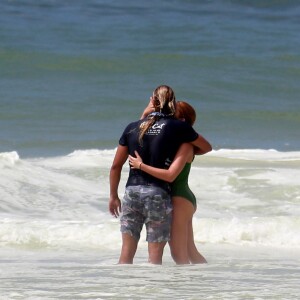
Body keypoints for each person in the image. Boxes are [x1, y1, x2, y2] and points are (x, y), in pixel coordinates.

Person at [109, 85, 212, 264]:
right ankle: (191, 285)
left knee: (130, 254)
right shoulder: (175, 133)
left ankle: (123, 290)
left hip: (146, 194)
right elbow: (145, 135)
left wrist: (114, 194)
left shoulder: (137, 128)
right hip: (159, 194)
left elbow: (118, 163)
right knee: (170, 255)